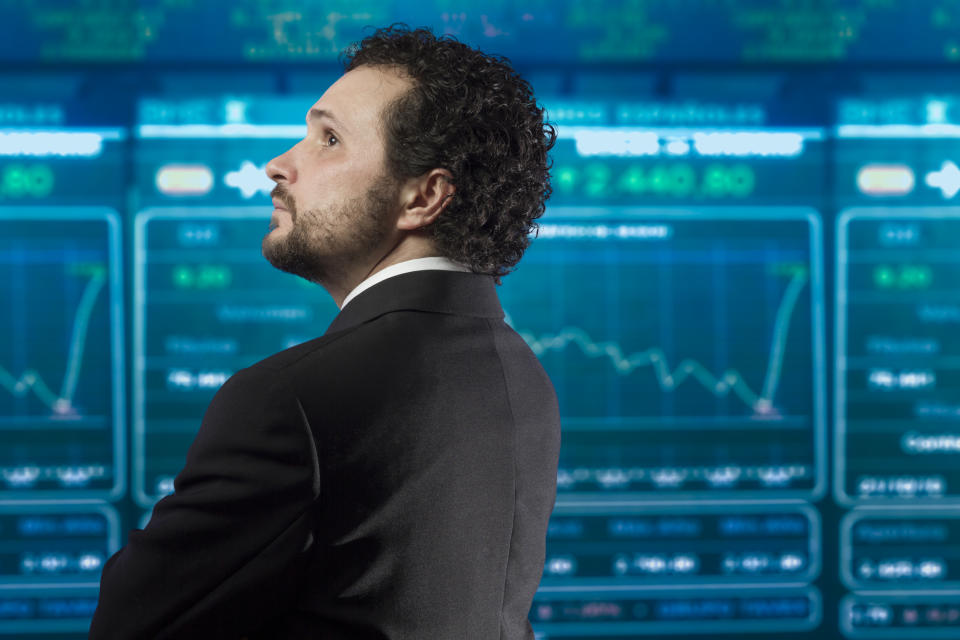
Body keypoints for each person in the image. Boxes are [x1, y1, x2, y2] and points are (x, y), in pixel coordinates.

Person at [90, 24, 560, 639]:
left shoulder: (292, 399)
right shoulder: (523, 376)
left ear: (423, 197)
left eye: (329, 139)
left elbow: (132, 625)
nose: (279, 165)